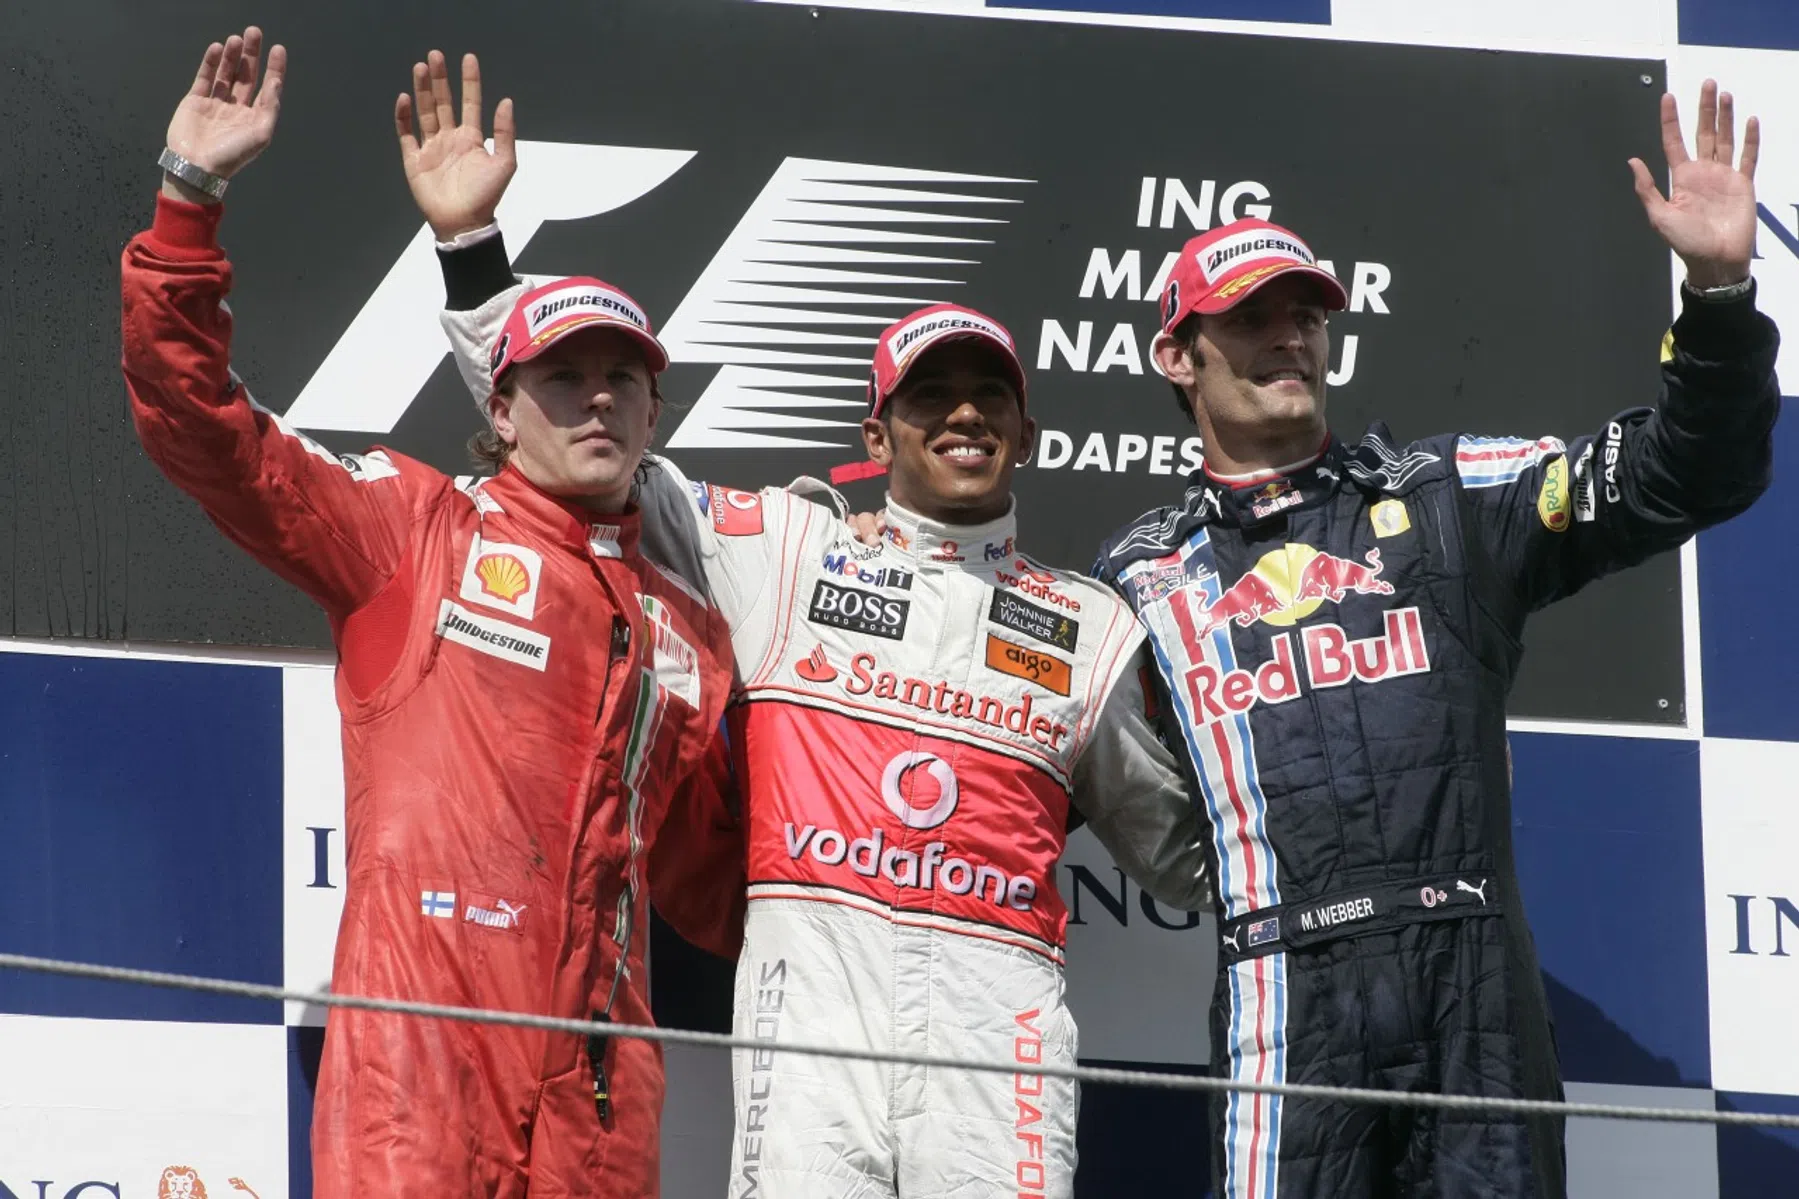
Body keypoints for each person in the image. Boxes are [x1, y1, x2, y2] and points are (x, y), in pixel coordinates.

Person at [416, 52, 1212, 1197]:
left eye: (988, 396)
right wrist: (471, 251)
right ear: (875, 433)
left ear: (1026, 433)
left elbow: (1182, 853)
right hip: (809, 1021)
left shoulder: (1089, 627)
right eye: (930, 396)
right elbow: (574, 441)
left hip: (999, 1034)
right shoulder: (787, 547)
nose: (963, 415)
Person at [1092, 82, 1778, 1198]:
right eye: (1251, 315)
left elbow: (1684, 473)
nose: (1288, 334)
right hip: (1281, 986)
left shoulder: (1448, 495)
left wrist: (1715, 298)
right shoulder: (1135, 579)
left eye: (1306, 312)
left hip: (1473, 986)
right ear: (1179, 354)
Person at [123, 31, 745, 1198]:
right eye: (563, 376)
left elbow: (721, 891)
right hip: (420, 1067)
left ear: (654, 407)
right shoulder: (414, 532)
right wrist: (187, 200)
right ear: (501, 409)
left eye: (622, 376)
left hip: (602, 1104)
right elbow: (201, 427)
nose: (596, 398)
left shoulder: (693, 629)